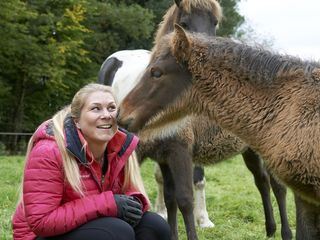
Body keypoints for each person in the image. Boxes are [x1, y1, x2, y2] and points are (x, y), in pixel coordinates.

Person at [12, 83, 170, 240]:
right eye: (96, 108)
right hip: (40, 235)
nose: (106, 115)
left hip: (91, 223)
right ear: (77, 121)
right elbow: (41, 222)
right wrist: (108, 204)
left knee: (154, 225)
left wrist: (133, 202)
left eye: (111, 108)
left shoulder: (119, 147)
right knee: (117, 232)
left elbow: (126, 192)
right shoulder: (49, 151)